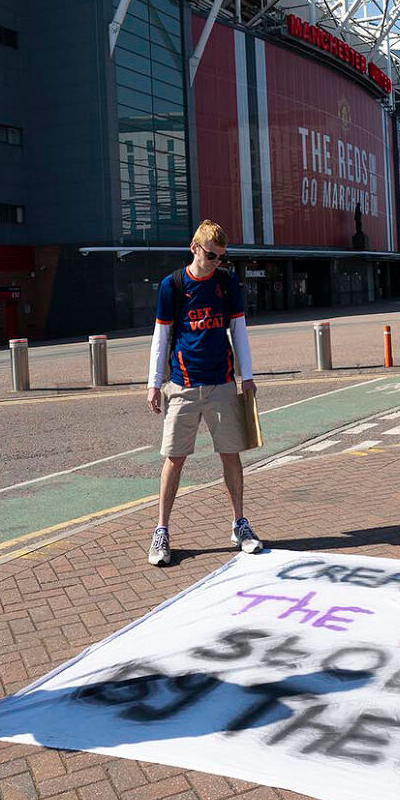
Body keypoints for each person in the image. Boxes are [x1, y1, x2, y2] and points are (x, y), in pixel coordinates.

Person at [145, 220, 262, 567]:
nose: (216, 263)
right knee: (174, 459)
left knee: (231, 454)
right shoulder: (173, 285)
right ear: (194, 247)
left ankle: (239, 524)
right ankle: (162, 531)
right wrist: (154, 383)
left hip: (223, 383)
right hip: (182, 385)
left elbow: (239, 330)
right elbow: (161, 337)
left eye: (221, 257)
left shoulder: (227, 284)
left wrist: (248, 377)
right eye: (212, 255)